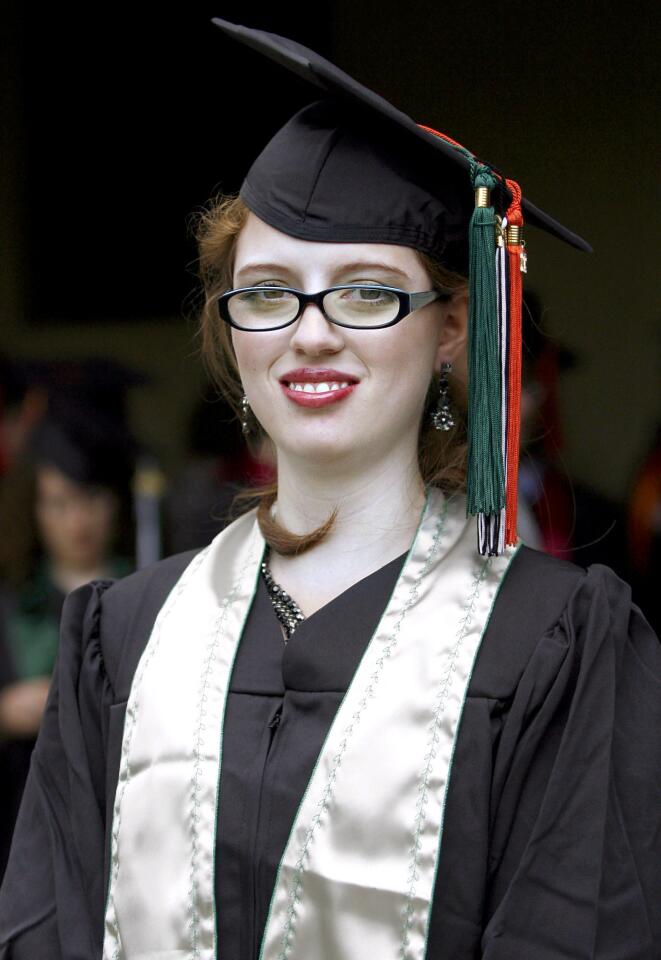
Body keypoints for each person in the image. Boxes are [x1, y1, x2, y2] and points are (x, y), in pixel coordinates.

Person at [1, 19, 659, 960]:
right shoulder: (124, 639)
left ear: (449, 330)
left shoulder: (554, 647)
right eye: (267, 292)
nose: (310, 333)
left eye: (364, 291)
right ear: (232, 331)